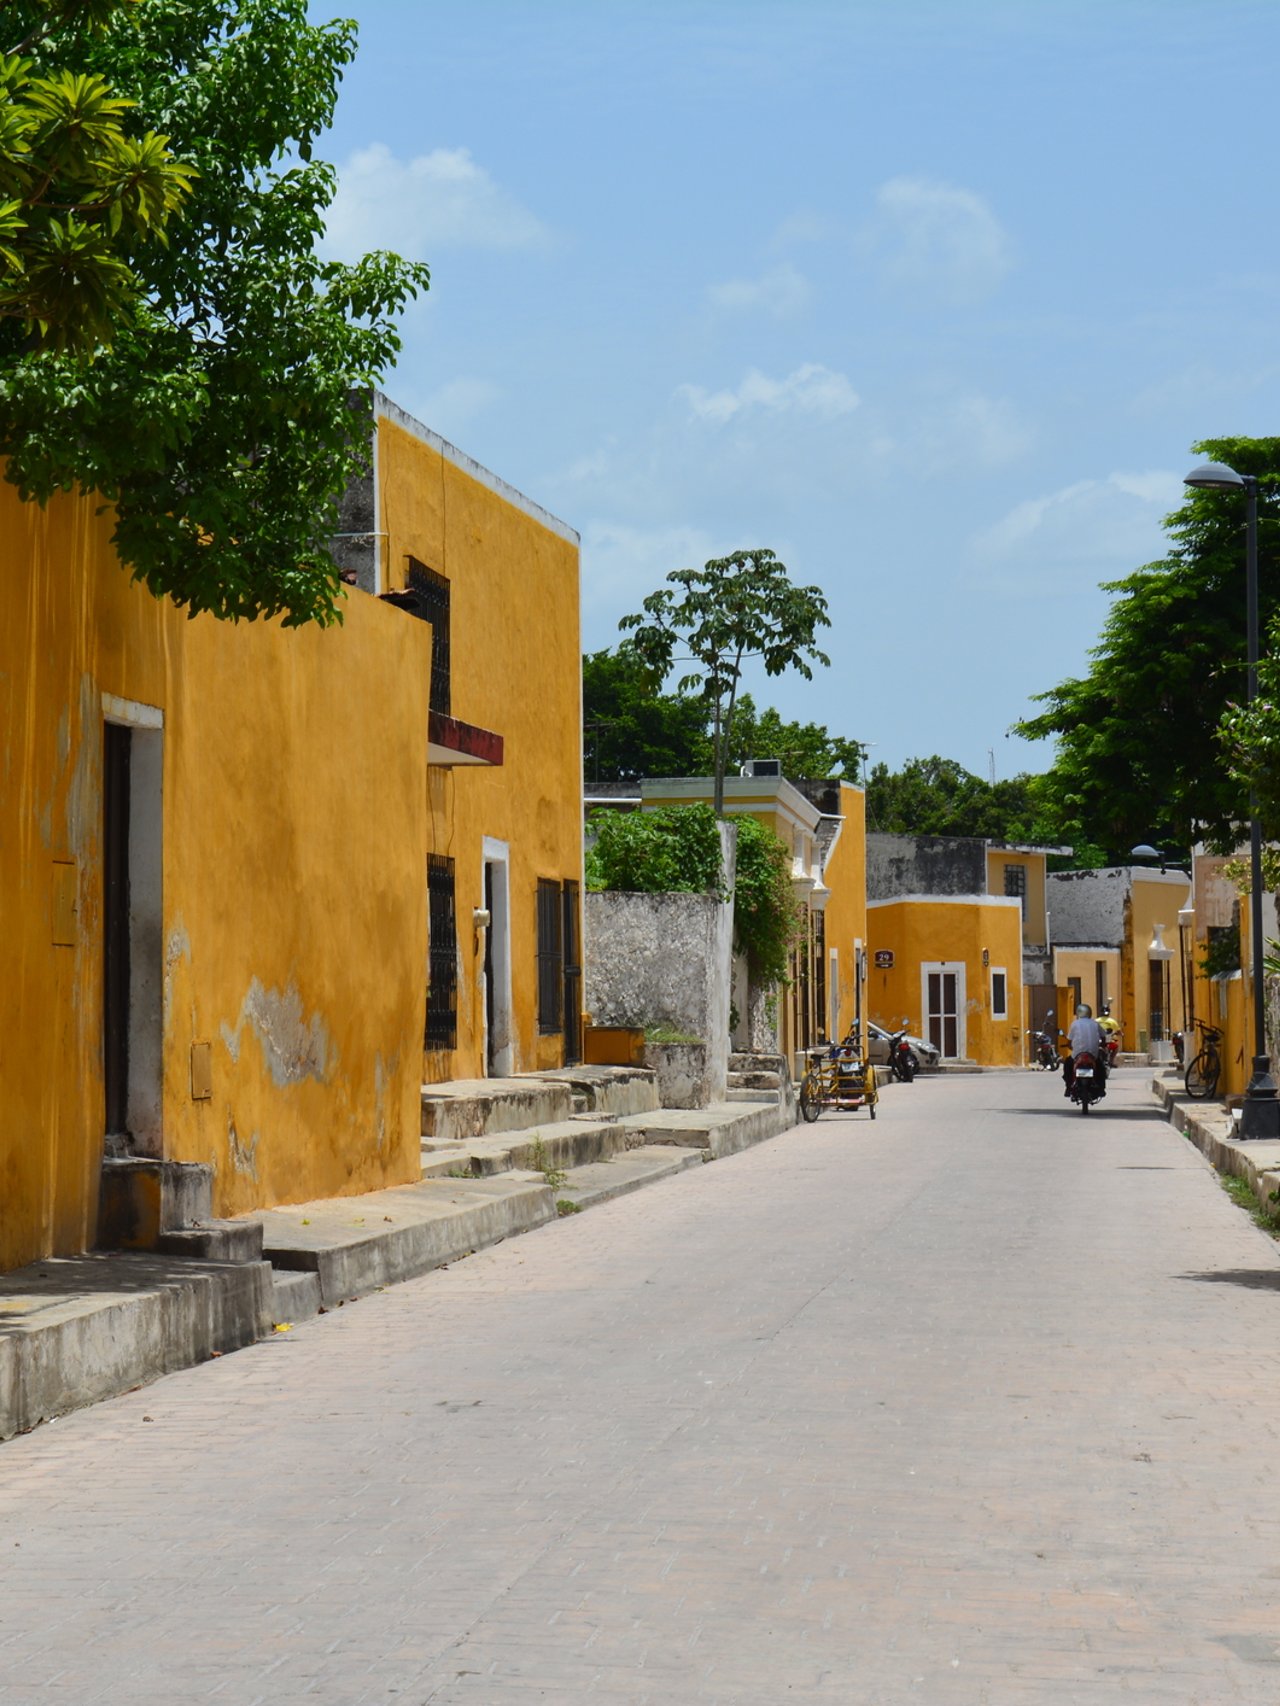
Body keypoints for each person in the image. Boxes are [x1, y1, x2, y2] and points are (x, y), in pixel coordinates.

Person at [1063, 1002, 1106, 1097]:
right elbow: (1103, 1036)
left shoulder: (1075, 1024)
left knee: (1067, 1064)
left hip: (1078, 1054)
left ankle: (1068, 1087)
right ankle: (1102, 1088)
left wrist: (1070, 1046)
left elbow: (1069, 1040)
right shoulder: (1095, 1023)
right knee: (1101, 1068)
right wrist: (1102, 1044)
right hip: (1093, 1054)